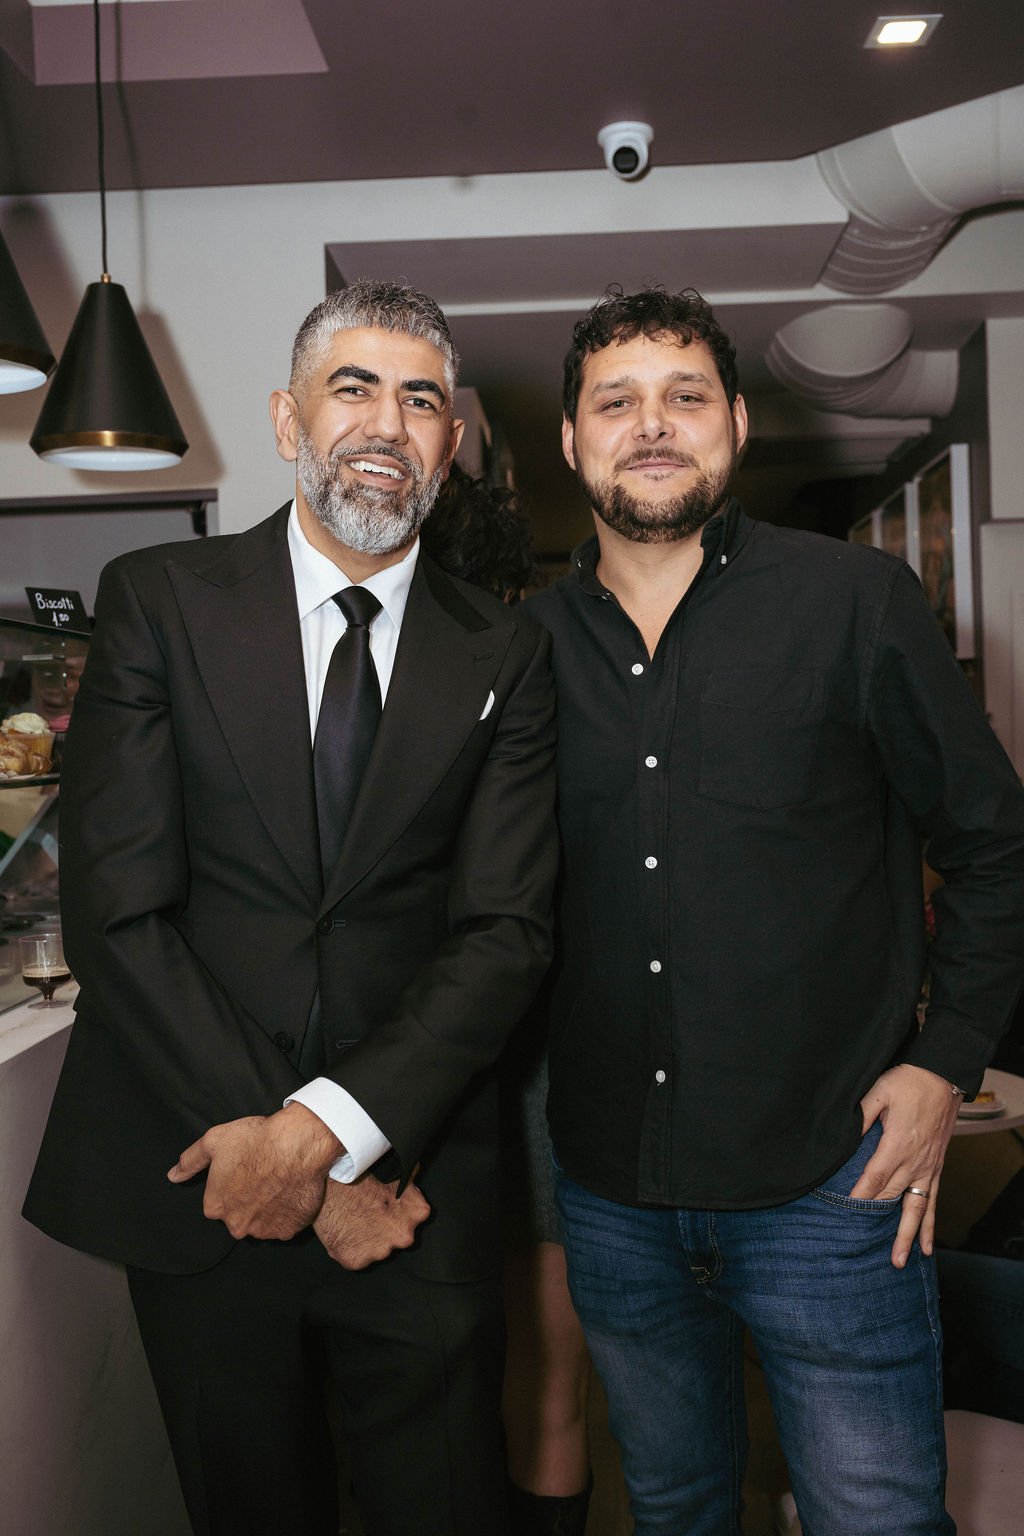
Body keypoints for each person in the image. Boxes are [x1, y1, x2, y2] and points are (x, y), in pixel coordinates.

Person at [23, 280, 557, 1536]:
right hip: (200, 1172)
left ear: (451, 446)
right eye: (352, 388)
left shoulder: (508, 652)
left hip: (415, 1192)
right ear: (286, 420)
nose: (387, 422)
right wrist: (303, 1172)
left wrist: (331, 1136)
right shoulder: (157, 598)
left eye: (420, 399)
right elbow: (119, 912)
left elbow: (505, 932)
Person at [525, 285, 1024, 1535]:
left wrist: (943, 1058)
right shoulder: (517, 649)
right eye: (616, 402)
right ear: (572, 442)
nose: (653, 426)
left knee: (875, 1514)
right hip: (610, 1190)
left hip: (832, 1185)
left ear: (736, 425)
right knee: (675, 1502)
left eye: (684, 398)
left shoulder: (856, 605)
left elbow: (994, 843)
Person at [422, 470, 593, 1535]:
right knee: (544, 1388)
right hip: (532, 1063)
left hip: (414, 1073)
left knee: (432, 1389)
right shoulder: (553, 674)